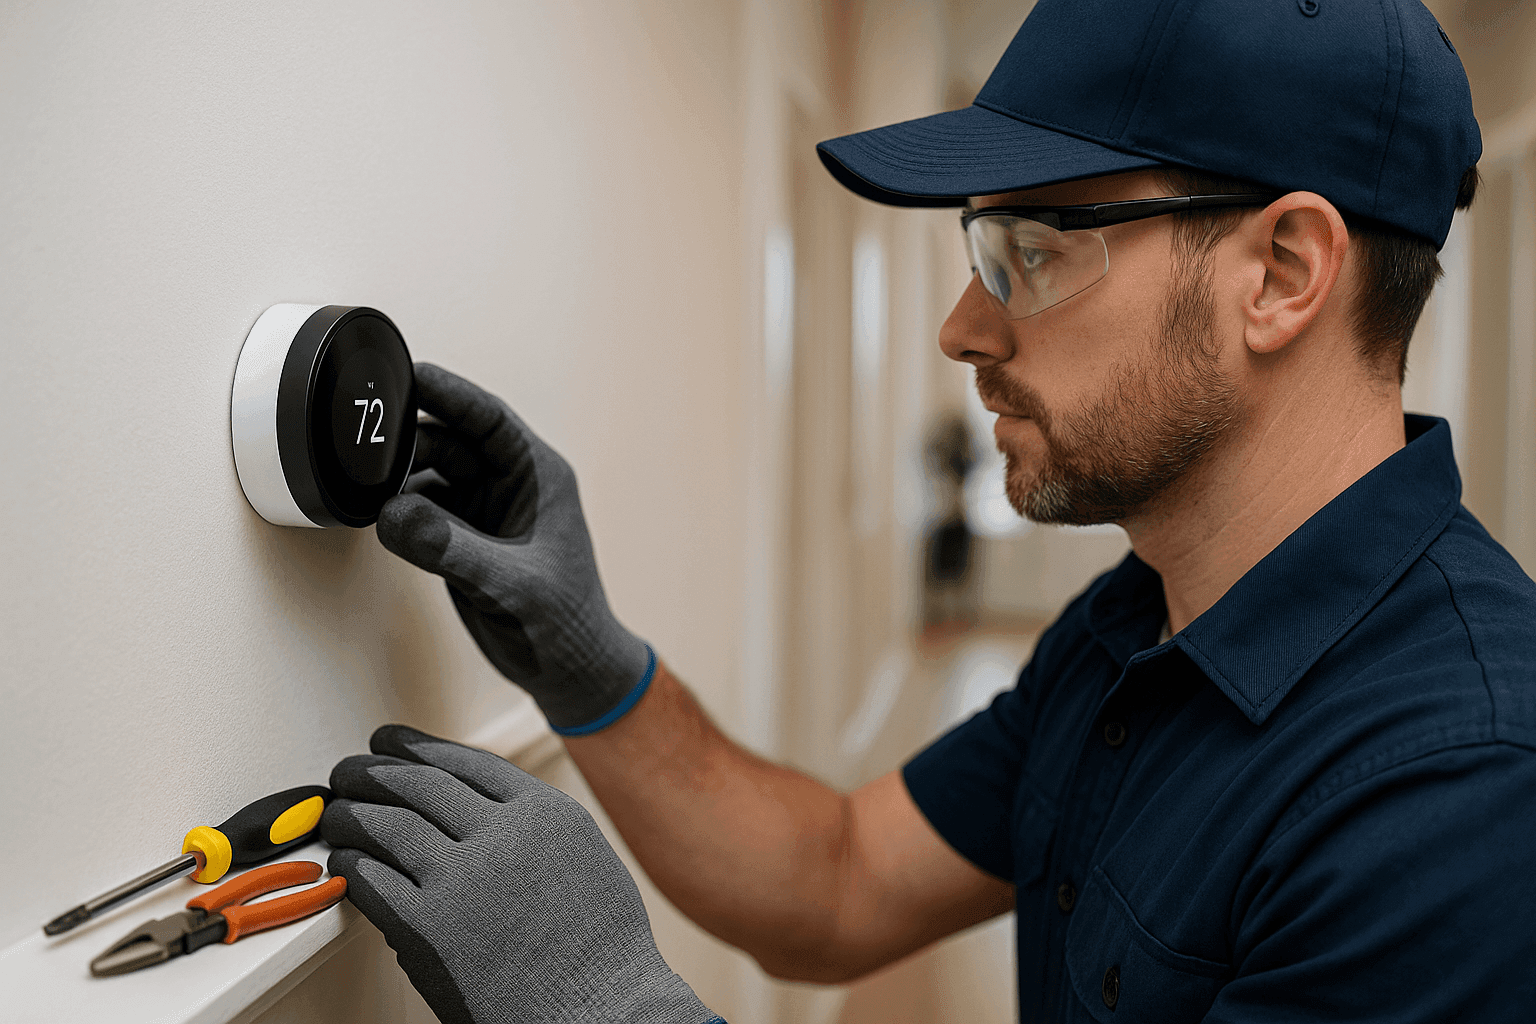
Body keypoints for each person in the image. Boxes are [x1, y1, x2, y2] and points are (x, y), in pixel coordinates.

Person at [319, 0, 1536, 1021]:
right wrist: (594, 672)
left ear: (1278, 273)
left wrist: (599, 1000)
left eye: (1033, 250)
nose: (961, 328)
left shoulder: (1459, 802)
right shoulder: (1135, 628)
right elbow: (837, 881)